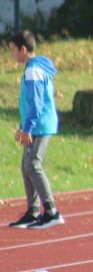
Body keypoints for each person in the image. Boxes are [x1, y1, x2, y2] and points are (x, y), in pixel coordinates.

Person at [7, 31, 64, 230]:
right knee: (26, 166)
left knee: (33, 165)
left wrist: (28, 127)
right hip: (34, 124)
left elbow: (37, 103)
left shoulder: (34, 70)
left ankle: (51, 211)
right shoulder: (36, 67)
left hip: (40, 125)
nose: (12, 54)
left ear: (23, 49)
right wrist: (22, 127)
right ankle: (32, 212)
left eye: (13, 50)